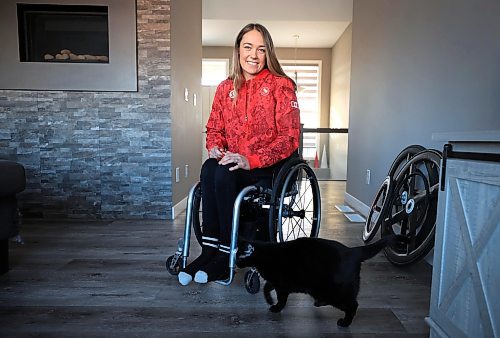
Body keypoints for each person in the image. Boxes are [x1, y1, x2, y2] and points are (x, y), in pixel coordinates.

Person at [178, 23, 301, 286]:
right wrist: (215, 147)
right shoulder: (225, 88)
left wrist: (250, 160)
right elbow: (214, 128)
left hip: (267, 166)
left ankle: (226, 252)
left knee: (222, 171)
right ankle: (210, 250)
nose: (253, 55)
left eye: (261, 49)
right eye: (248, 47)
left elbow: (289, 139)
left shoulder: (282, 85)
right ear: (238, 50)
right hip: (232, 163)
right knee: (211, 167)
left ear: (268, 54)